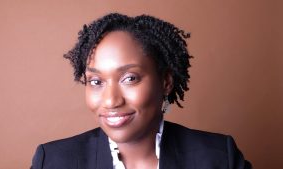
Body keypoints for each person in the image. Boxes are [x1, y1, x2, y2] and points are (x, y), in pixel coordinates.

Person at [31, 13, 251, 169]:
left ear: (165, 82)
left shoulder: (219, 157)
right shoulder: (53, 161)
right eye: (96, 81)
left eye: (129, 78)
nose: (110, 101)